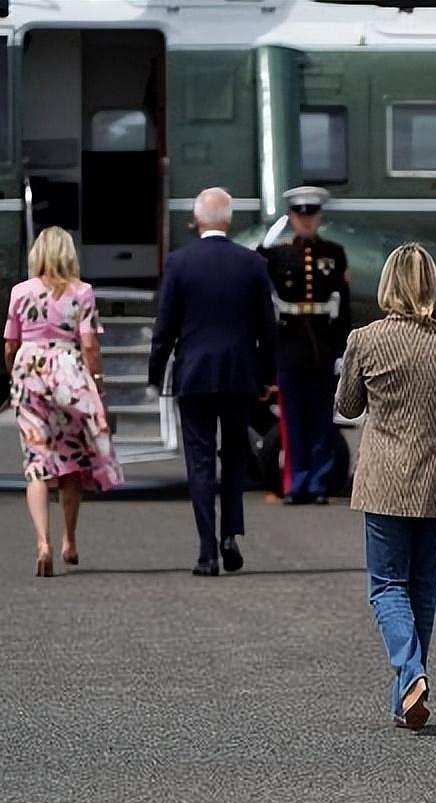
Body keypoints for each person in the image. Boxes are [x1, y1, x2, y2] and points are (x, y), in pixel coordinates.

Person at [335, 242, 436, 730]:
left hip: (384, 480)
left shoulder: (364, 339)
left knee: (386, 587)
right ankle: (407, 694)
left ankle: (411, 674)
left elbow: (347, 406)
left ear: (387, 286)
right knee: (423, 588)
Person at [148, 187, 277, 576]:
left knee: (200, 460)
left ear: (196, 219)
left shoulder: (179, 263)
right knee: (235, 455)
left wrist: (155, 373)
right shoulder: (251, 263)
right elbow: (267, 328)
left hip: (195, 373)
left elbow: (165, 325)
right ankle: (230, 534)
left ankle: (207, 551)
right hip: (239, 374)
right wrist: (267, 376)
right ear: (229, 219)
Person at [4, 226, 123, 577]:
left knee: (37, 463)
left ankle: (43, 542)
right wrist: (97, 383)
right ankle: (69, 538)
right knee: (70, 461)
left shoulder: (20, 292)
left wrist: (15, 372)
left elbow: (10, 342)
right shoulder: (82, 292)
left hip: (30, 373)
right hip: (68, 376)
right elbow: (89, 344)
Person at [257, 185, 351, 505]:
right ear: (292, 218)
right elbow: (258, 271)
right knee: (292, 421)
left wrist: (342, 351)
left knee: (321, 420)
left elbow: (343, 305)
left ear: (319, 217)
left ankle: (319, 483)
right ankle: (296, 484)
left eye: (312, 215)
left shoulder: (334, 254)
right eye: (300, 215)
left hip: (322, 346)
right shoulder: (280, 252)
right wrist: (267, 242)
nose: (306, 221)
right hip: (290, 344)